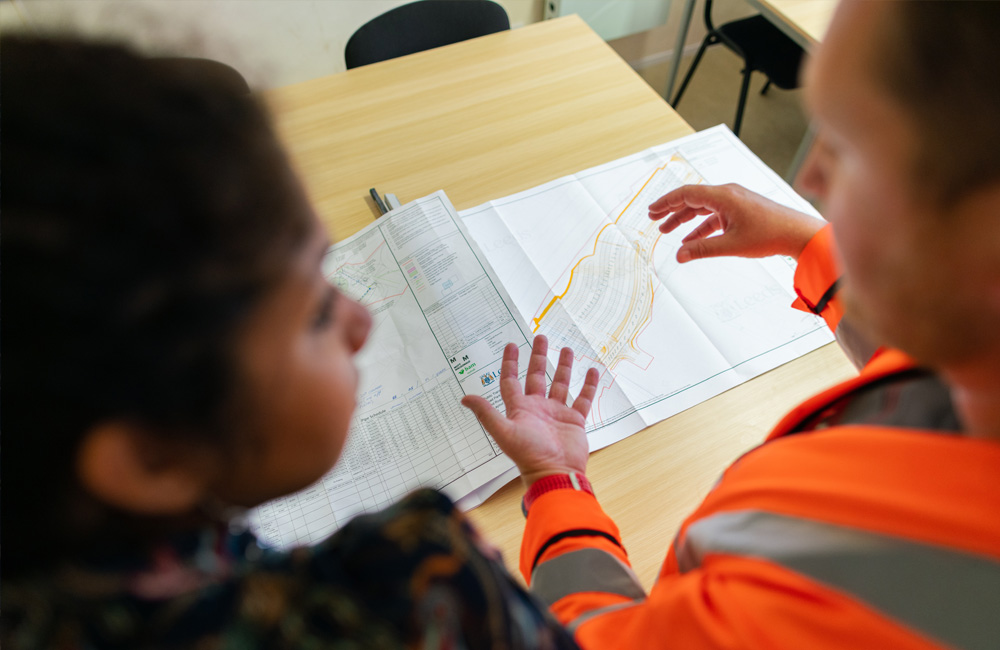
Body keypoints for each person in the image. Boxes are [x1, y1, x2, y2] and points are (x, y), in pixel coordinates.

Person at [0, 36, 582, 650]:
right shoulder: (414, 593)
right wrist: (559, 485)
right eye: (318, 312)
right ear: (154, 457)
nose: (361, 321)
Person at [460, 1, 1000, 648]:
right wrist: (805, 241)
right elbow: (930, 355)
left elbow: (598, 639)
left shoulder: (816, 594)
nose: (810, 176)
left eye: (848, 145)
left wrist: (557, 486)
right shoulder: (974, 356)